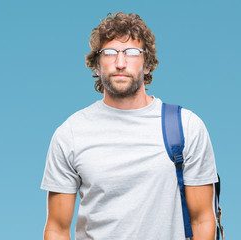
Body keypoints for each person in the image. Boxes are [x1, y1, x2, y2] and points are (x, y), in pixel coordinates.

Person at [40, 12, 219, 240]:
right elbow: (56, 228)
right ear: (97, 65)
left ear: (147, 65)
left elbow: (203, 219)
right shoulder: (70, 134)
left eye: (132, 53)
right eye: (110, 53)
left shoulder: (186, 127)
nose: (121, 63)